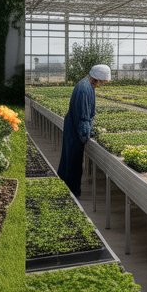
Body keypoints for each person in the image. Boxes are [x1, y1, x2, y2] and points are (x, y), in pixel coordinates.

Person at [58, 64, 111, 196]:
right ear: (97, 78)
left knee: (69, 159)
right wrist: (86, 136)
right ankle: (70, 193)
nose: (103, 84)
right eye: (103, 81)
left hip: (73, 126)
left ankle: (65, 188)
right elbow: (83, 116)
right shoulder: (84, 89)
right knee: (73, 162)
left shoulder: (87, 85)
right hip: (75, 130)